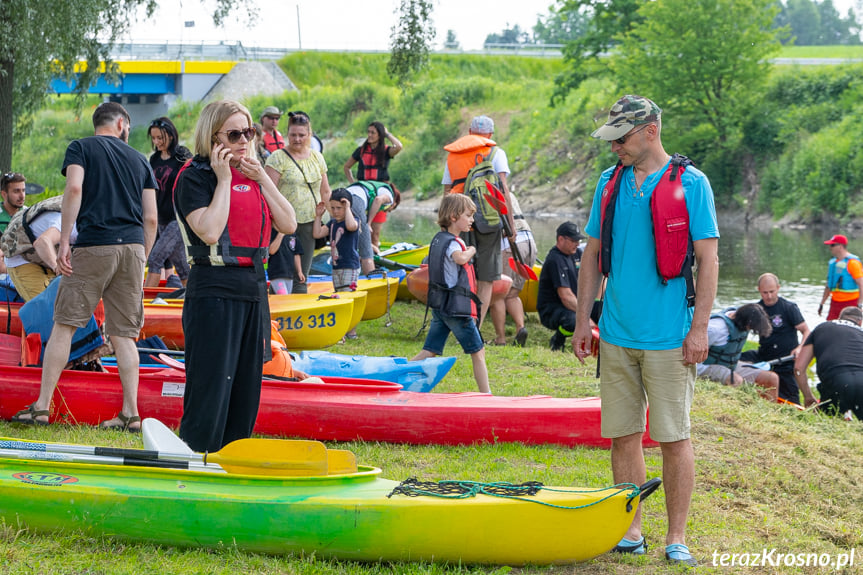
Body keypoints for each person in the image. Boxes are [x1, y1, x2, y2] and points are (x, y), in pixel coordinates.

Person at [572, 95, 719, 568]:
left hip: (670, 339)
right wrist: (583, 319)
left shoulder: (691, 184)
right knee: (623, 435)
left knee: (674, 438)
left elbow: (709, 260)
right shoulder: (608, 183)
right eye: (613, 137)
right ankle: (631, 528)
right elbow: (592, 254)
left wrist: (699, 331)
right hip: (615, 334)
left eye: (623, 136)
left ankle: (676, 537)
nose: (615, 145)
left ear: (651, 130)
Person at [11, 102, 158, 431]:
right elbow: (151, 217)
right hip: (133, 247)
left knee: (65, 324)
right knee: (124, 336)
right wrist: (142, 256)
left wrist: (64, 241)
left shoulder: (81, 147)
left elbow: (74, 188)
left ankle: (41, 407)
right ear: (121, 123)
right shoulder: (139, 160)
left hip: (95, 245)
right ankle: (131, 414)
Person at [174, 99, 296, 452]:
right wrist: (225, 178)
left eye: (249, 131)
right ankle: (197, 456)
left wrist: (263, 180)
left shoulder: (255, 175)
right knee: (211, 386)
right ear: (213, 138)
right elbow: (210, 232)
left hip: (252, 288)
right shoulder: (194, 177)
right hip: (212, 287)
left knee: (246, 387)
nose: (244, 140)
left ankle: (232, 456)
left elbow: (287, 223)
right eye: (234, 134)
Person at [412, 193, 491, 394]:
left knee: (429, 351)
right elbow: (460, 258)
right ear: (454, 216)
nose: (472, 219)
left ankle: (399, 370)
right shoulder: (456, 244)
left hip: (440, 306)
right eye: (468, 215)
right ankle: (487, 395)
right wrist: (472, 249)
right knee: (478, 351)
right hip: (455, 310)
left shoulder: (439, 239)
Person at [442, 115, 515, 327]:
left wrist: (445, 225)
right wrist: (510, 226)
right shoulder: (495, 152)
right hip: (489, 220)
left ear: (469, 132)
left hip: (457, 218)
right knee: (486, 277)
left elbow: (447, 191)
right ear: (490, 135)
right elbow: (503, 191)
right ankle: (476, 326)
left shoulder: (454, 153)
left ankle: (459, 320)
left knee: (459, 270)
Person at [265, 111, 331, 293]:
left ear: (309, 135)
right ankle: (276, 311)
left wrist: (335, 217)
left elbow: (325, 190)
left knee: (302, 274)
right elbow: (267, 192)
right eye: (293, 135)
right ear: (288, 134)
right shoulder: (277, 157)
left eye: (302, 135)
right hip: (283, 225)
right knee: (282, 272)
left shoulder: (317, 157)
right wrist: (272, 223)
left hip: (310, 222)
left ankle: (299, 312)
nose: (297, 139)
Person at [739, 273, 810, 404]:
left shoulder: (789, 308)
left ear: (778, 288)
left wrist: (800, 348)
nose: (769, 296)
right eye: (765, 293)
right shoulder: (756, 310)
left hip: (786, 361)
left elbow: (806, 331)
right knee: (737, 360)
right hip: (764, 357)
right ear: (759, 290)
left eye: (772, 291)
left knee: (793, 401)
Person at [144, 117, 192, 288]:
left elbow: (193, 183)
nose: (156, 142)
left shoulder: (182, 156)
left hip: (178, 218)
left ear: (170, 136)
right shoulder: (155, 159)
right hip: (160, 219)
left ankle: (142, 304)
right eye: (154, 138)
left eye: (160, 138)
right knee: (182, 266)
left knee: (155, 258)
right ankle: (191, 298)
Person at [0, 195, 77, 301]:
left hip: (50, 253)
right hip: (21, 253)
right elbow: (42, 242)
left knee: (68, 302)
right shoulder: (67, 220)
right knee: (48, 306)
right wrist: (57, 267)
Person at [696, 304, 779, 401]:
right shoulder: (715, 329)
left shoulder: (742, 316)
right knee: (736, 381)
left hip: (729, 364)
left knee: (772, 378)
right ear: (744, 321)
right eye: (750, 328)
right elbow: (692, 356)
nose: (749, 330)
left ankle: (769, 412)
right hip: (704, 367)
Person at [795, 306, 863, 420]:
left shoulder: (822, 327)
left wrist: (808, 397)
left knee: (829, 423)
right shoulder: (861, 333)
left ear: (838, 317)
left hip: (836, 381)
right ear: (860, 322)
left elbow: (798, 368)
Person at [344, 122, 403, 249]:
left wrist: (387, 134)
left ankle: (373, 258)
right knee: (358, 230)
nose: (369, 135)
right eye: (368, 132)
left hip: (379, 192)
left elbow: (399, 146)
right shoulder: (361, 151)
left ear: (379, 135)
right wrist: (353, 183)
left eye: (373, 133)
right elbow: (347, 167)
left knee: (374, 234)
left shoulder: (386, 151)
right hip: (363, 191)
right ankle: (358, 255)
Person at [489, 192, 536, 347]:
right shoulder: (508, 192)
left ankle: (500, 338)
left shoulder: (487, 192)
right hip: (529, 241)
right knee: (512, 293)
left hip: (510, 243)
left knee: (498, 294)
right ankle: (520, 328)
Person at [314, 188, 360, 339]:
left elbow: (351, 226)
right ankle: (343, 328)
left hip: (350, 265)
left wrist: (347, 209)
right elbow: (317, 234)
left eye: (339, 208)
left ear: (347, 207)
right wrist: (318, 216)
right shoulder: (332, 223)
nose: (335, 211)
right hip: (336, 266)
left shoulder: (353, 220)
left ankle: (351, 331)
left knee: (348, 296)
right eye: (332, 208)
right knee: (339, 295)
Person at [536, 221, 583, 351]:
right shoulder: (554, 259)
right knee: (573, 320)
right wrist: (585, 317)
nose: (578, 244)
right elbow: (566, 297)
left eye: (578, 240)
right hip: (552, 310)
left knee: (603, 310)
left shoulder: (577, 254)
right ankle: (558, 340)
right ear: (561, 239)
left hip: (573, 304)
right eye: (574, 240)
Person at [345, 181, 399, 274]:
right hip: (356, 199)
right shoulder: (390, 198)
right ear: (394, 204)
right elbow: (378, 200)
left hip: (342, 196)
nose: (387, 212)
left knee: (347, 239)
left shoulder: (379, 188)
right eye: (389, 210)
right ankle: (370, 276)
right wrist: (368, 223)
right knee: (367, 253)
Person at [818, 234, 863, 321]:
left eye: (832, 245)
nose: (830, 248)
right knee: (831, 328)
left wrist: (860, 305)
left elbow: (861, 284)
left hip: (851, 303)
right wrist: (822, 303)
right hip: (835, 303)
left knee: (850, 330)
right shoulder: (833, 263)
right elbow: (828, 285)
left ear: (840, 246)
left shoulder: (853, 263)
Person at [0, 171, 27, 275]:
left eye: (23, 190)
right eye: (16, 191)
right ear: (4, 194)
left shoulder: (28, 214)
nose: (22, 196)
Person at [268, 231, 304, 295]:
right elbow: (271, 251)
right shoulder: (272, 231)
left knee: (286, 298)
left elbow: (296, 253)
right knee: (283, 296)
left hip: (289, 274)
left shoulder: (293, 234)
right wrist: (280, 234)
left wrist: (299, 271)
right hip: (276, 273)